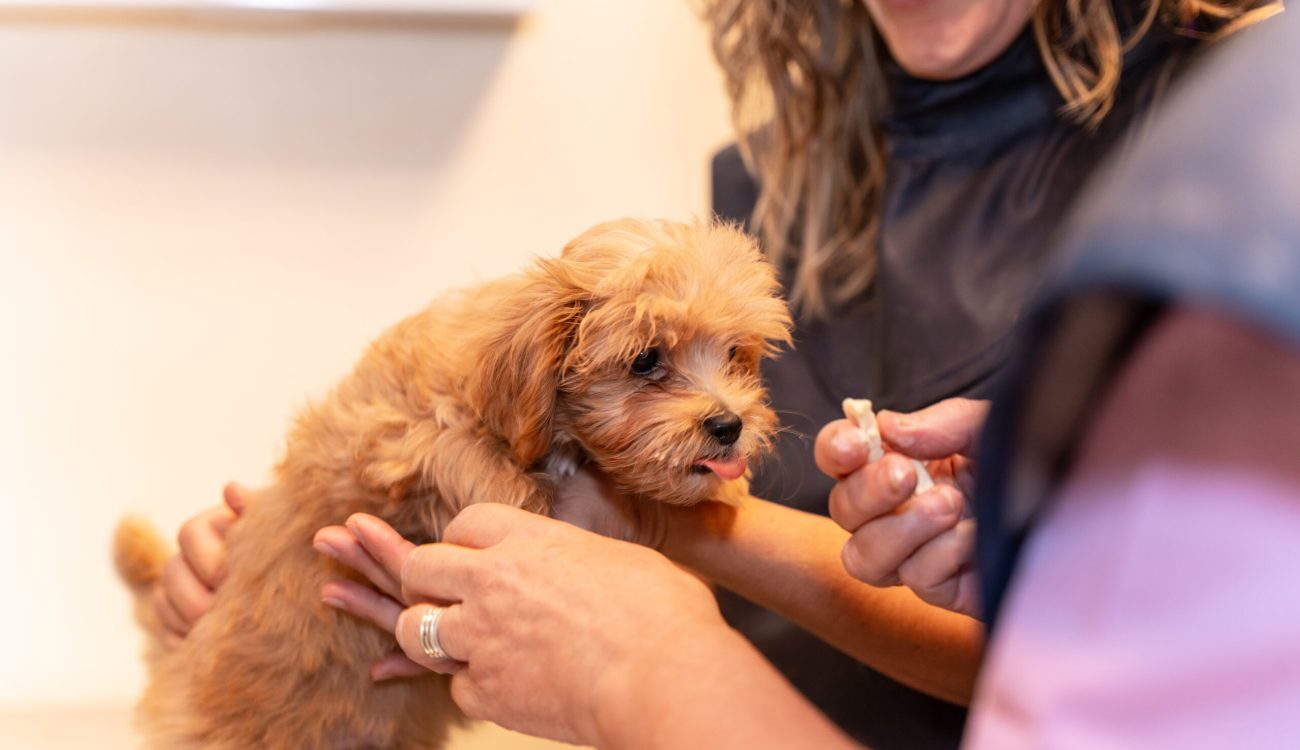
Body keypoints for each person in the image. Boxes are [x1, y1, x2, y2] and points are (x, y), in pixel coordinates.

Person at [153, 0, 1278, 746]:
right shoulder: (768, 182)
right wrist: (278, 579)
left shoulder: (1247, 137)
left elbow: (1135, 674)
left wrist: (646, 627)